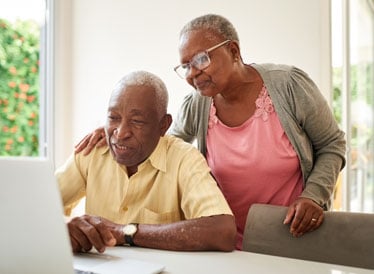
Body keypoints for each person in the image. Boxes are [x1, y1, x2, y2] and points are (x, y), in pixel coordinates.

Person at [75, 14, 346, 250]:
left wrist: (313, 195)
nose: (193, 73)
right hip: (222, 239)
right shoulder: (198, 104)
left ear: (234, 51)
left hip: (291, 233)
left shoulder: (288, 86)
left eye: (201, 59)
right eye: (185, 66)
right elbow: (165, 144)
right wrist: (120, 127)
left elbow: (332, 144)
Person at [56, 70, 236, 254]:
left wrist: (125, 232)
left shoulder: (184, 159)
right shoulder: (91, 152)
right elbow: (34, 207)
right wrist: (68, 226)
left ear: (163, 125)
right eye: (113, 118)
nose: (121, 132)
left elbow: (223, 231)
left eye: (137, 121)